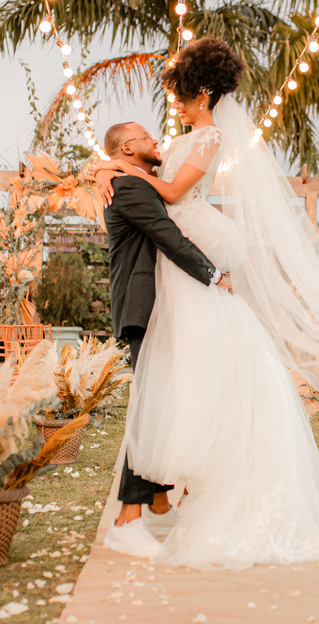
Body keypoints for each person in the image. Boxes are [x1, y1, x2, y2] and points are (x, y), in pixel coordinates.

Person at [95, 37, 319, 569]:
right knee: (165, 393)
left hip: (187, 261)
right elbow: (144, 177)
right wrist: (104, 168)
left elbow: (169, 195)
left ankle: (148, 507)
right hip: (166, 282)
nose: (173, 109)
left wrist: (121, 169)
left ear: (202, 93)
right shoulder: (170, 147)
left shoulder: (202, 140)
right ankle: (148, 506)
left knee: (170, 391)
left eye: (182, 97)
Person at [98, 120, 233, 559]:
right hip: (146, 305)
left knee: (164, 402)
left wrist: (101, 168)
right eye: (149, 138)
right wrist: (213, 276)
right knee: (152, 407)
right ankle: (126, 519)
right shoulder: (131, 188)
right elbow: (169, 238)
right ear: (131, 146)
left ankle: (157, 503)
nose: (157, 141)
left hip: (158, 305)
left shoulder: (127, 179)